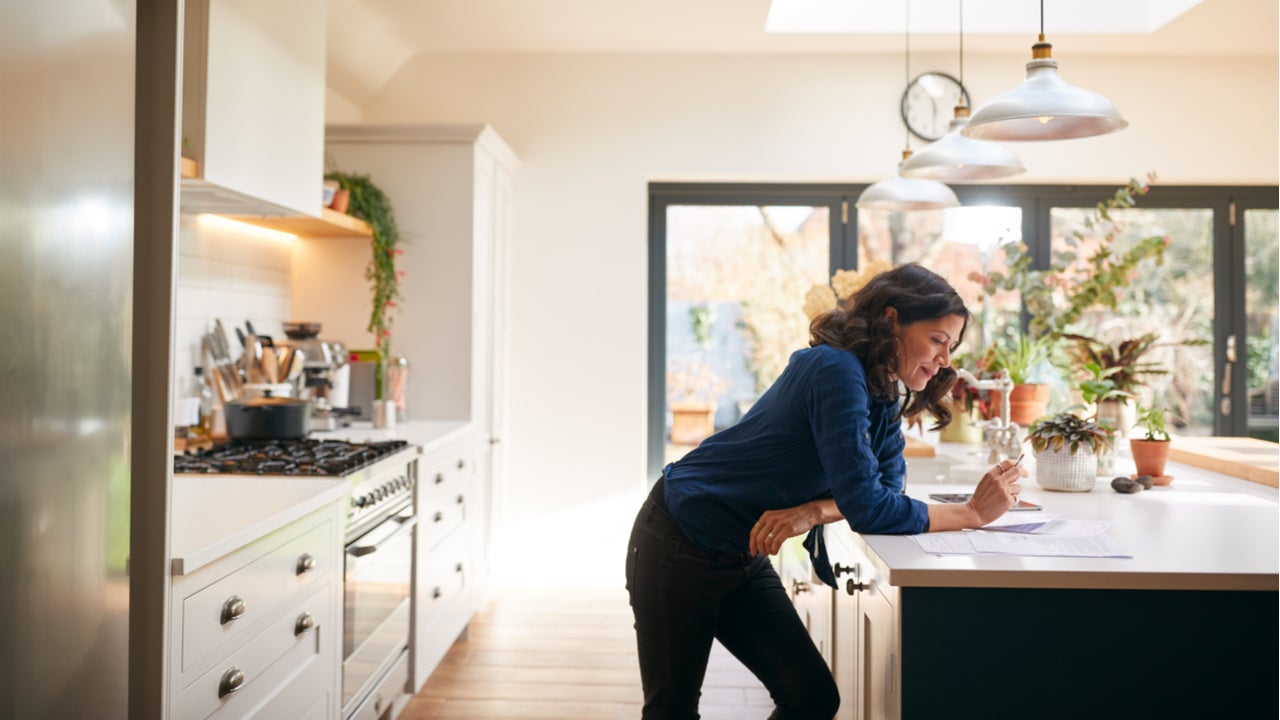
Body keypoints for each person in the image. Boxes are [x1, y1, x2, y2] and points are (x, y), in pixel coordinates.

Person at [625, 263, 1027, 719]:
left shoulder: (881, 390)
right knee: (672, 710)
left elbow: (886, 489)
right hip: (679, 538)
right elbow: (872, 507)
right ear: (892, 320)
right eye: (937, 340)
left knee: (812, 697)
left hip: (741, 554)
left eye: (951, 347)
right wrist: (972, 513)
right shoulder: (835, 369)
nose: (946, 360)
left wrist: (814, 510)